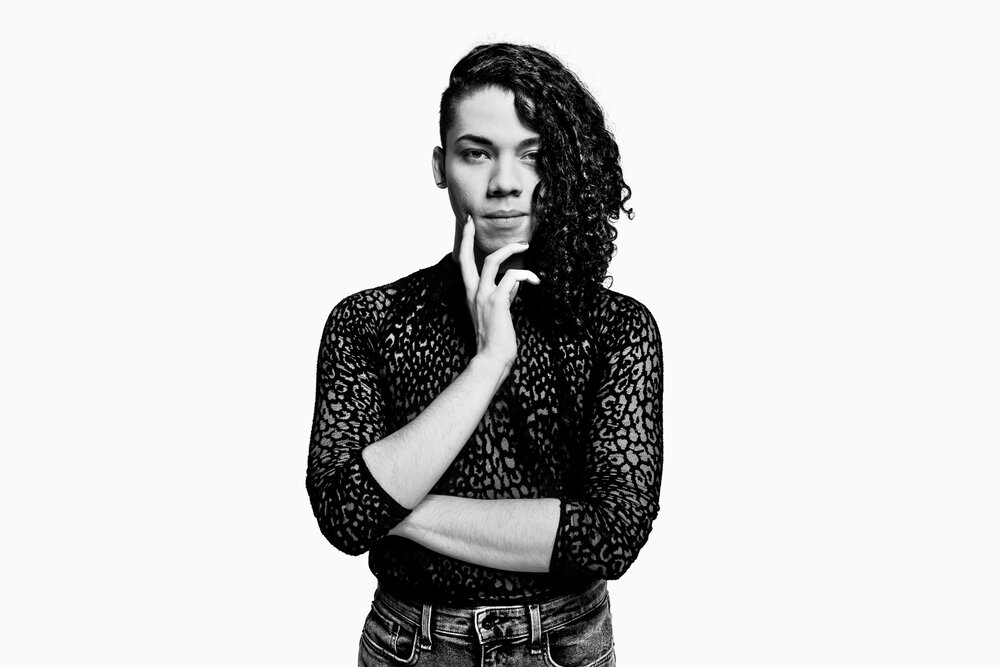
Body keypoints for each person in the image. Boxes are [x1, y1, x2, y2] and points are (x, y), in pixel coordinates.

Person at [306, 42, 663, 666]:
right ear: (440, 166)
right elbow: (343, 517)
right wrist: (489, 363)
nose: (505, 182)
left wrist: (395, 505)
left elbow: (608, 536)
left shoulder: (615, 329)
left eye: (534, 154)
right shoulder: (369, 322)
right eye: (477, 153)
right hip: (409, 646)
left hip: (562, 645)